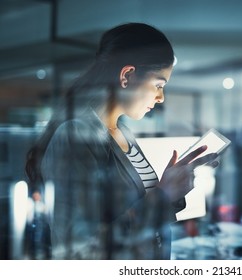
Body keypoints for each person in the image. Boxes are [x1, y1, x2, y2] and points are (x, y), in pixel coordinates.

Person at [25, 22, 218, 259]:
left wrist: (174, 187)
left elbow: (145, 217)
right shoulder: (75, 135)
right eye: (159, 85)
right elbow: (79, 249)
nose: (161, 97)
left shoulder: (123, 133)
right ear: (127, 75)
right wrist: (162, 195)